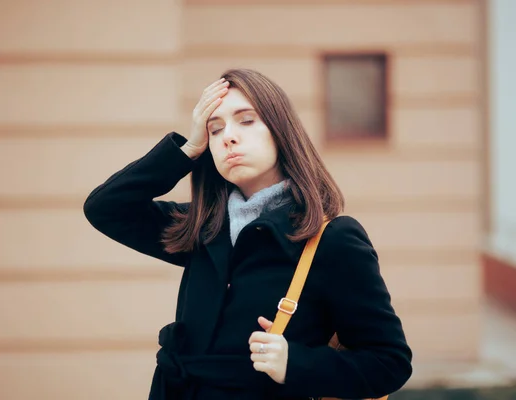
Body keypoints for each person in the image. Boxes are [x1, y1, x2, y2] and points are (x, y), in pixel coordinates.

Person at [83, 69, 412, 400]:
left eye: (246, 120)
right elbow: (106, 208)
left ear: (280, 131)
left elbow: (389, 362)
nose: (228, 136)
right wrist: (188, 149)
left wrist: (295, 363)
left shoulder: (332, 240)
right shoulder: (200, 227)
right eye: (215, 129)